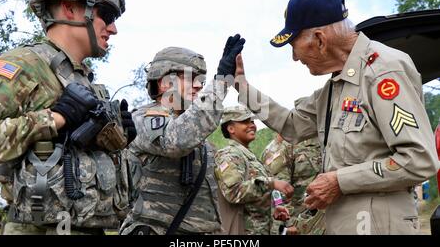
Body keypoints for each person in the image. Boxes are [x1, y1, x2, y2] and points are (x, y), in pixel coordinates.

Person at [229, 0, 439, 234]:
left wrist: (339, 180)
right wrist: (241, 86)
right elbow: (291, 124)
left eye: (294, 46)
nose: (295, 58)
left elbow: (419, 159)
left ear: (319, 39)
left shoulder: (383, 72)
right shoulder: (336, 87)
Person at [0, 0, 137, 234]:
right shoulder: (24, 65)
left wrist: (119, 140)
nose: (113, 28)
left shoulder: (81, 78)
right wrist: (54, 119)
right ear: (70, 7)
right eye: (106, 14)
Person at [119, 36, 245, 235]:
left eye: (201, 80)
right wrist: (219, 83)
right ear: (163, 83)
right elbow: (176, 141)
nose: (198, 85)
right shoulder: (144, 119)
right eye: (190, 78)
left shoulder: (198, 133)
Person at [214, 105, 294, 235]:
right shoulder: (228, 155)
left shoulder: (249, 156)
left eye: (252, 121)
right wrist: (271, 183)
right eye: (245, 122)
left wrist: (275, 207)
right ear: (231, 128)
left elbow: (256, 196)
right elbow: (233, 192)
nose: (252, 125)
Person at [260, 135, 325, 235]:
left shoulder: (322, 139)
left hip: (326, 216)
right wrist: (289, 223)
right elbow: (278, 191)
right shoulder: (283, 148)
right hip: (300, 221)